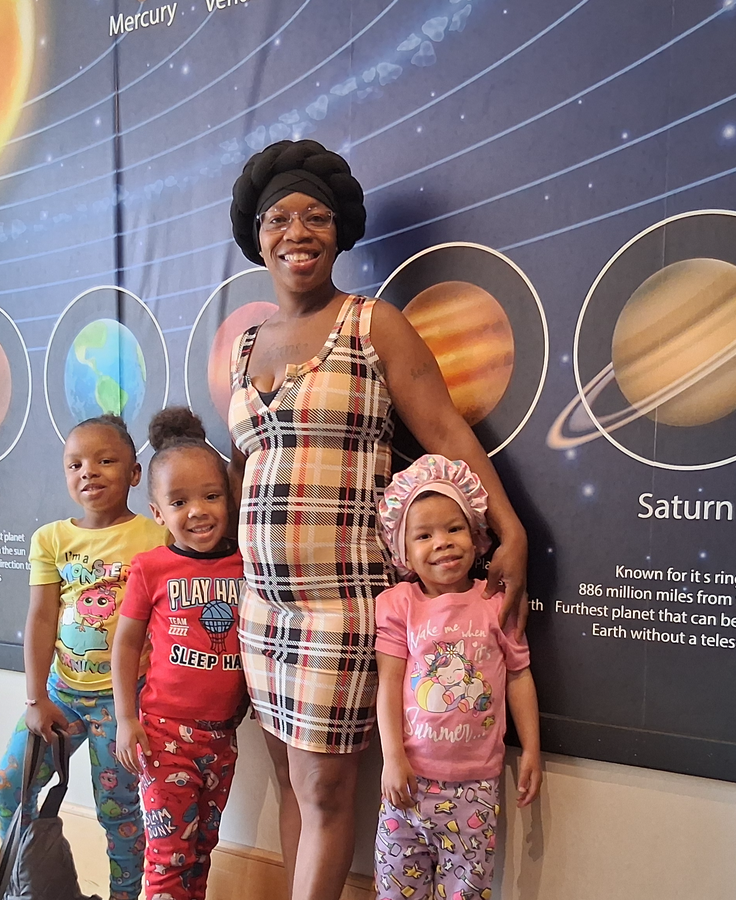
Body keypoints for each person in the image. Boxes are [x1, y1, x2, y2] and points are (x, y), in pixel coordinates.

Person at [227, 139, 531, 900]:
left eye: (316, 216)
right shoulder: (246, 344)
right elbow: (245, 467)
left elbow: (449, 432)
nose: (297, 232)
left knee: (325, 795)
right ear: (257, 236)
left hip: (339, 608)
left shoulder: (373, 325)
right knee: (291, 788)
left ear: (339, 233)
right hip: (261, 610)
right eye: (279, 218)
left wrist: (513, 530)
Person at [0, 414, 167, 900]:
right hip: (60, 696)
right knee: (10, 787)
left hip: (124, 704)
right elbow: (41, 619)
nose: (88, 471)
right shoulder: (50, 539)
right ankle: (34, 887)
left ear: (134, 473)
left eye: (105, 461)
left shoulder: (157, 538)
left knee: (120, 814)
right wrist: (36, 699)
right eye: (75, 464)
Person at [373, 454, 541, 900]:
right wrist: (392, 757)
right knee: (395, 890)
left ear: (476, 534)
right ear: (403, 551)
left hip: (475, 786)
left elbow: (519, 675)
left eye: (453, 529)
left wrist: (531, 749)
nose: (442, 543)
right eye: (424, 535)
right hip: (408, 782)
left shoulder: (496, 602)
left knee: (465, 892)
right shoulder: (398, 605)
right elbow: (388, 684)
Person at [112, 408, 249, 900]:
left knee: (201, 850)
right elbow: (125, 643)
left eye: (211, 496)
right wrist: (125, 718)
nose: (198, 511)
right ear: (158, 512)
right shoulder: (151, 568)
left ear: (229, 498)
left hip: (221, 738)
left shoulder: (246, 563)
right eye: (179, 501)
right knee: (169, 857)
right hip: (164, 736)